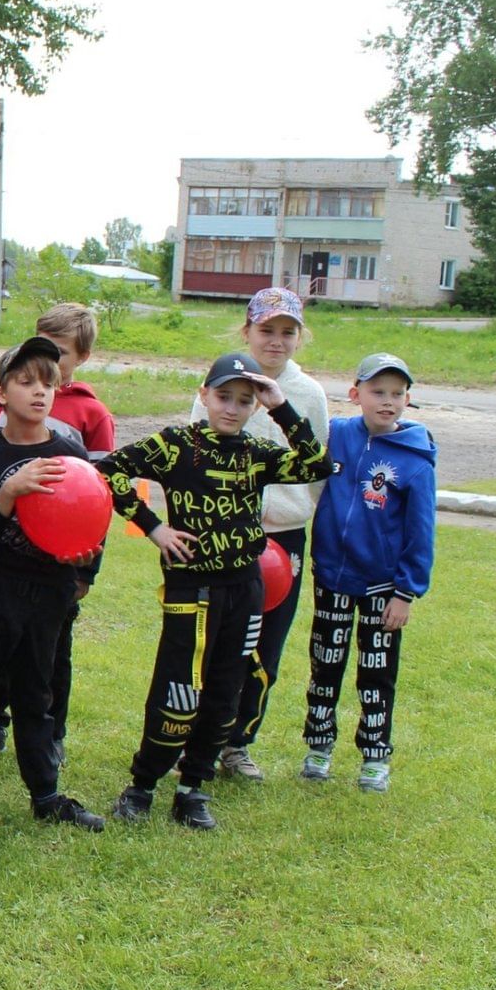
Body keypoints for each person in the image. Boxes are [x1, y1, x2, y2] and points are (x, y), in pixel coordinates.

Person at [97, 351, 330, 830]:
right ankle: (142, 786)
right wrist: (154, 527)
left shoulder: (256, 453)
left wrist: (281, 406)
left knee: (226, 688)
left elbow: (317, 463)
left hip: (245, 587)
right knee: (178, 687)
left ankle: (193, 788)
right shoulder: (175, 444)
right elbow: (111, 469)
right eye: (223, 396)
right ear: (204, 395)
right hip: (191, 587)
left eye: (245, 401)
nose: (232, 407)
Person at [0, 338, 105, 841]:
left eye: (48, 383)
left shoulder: (68, 451)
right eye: (26, 381)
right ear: (1, 390)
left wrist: (83, 570)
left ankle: (46, 795)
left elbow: (92, 516)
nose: (38, 392)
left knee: (38, 697)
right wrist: (9, 491)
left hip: (48, 593)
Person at [190, 287, 329, 782]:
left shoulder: (309, 394)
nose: (276, 340)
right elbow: (194, 455)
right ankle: (195, 733)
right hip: (222, 535)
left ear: (299, 336)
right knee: (209, 639)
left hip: (281, 538)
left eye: (287, 332)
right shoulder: (219, 379)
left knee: (264, 642)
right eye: (266, 330)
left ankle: (238, 741)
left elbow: (316, 464)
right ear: (246, 331)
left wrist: (289, 511)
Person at [0, 302, 113, 763]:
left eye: (59, 355)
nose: (41, 380)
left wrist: (87, 569)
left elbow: (97, 498)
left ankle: (52, 735)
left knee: (52, 658)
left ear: (80, 359)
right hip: (4, 572)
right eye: (39, 354)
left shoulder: (88, 418)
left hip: (55, 571)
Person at [301, 353, 436, 792]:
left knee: (375, 673)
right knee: (325, 665)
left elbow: (421, 529)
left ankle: (375, 756)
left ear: (407, 400)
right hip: (333, 580)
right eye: (378, 392)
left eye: (397, 394)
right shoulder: (336, 435)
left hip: (383, 587)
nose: (388, 401)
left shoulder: (415, 458)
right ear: (356, 394)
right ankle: (318, 747)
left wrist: (406, 592)